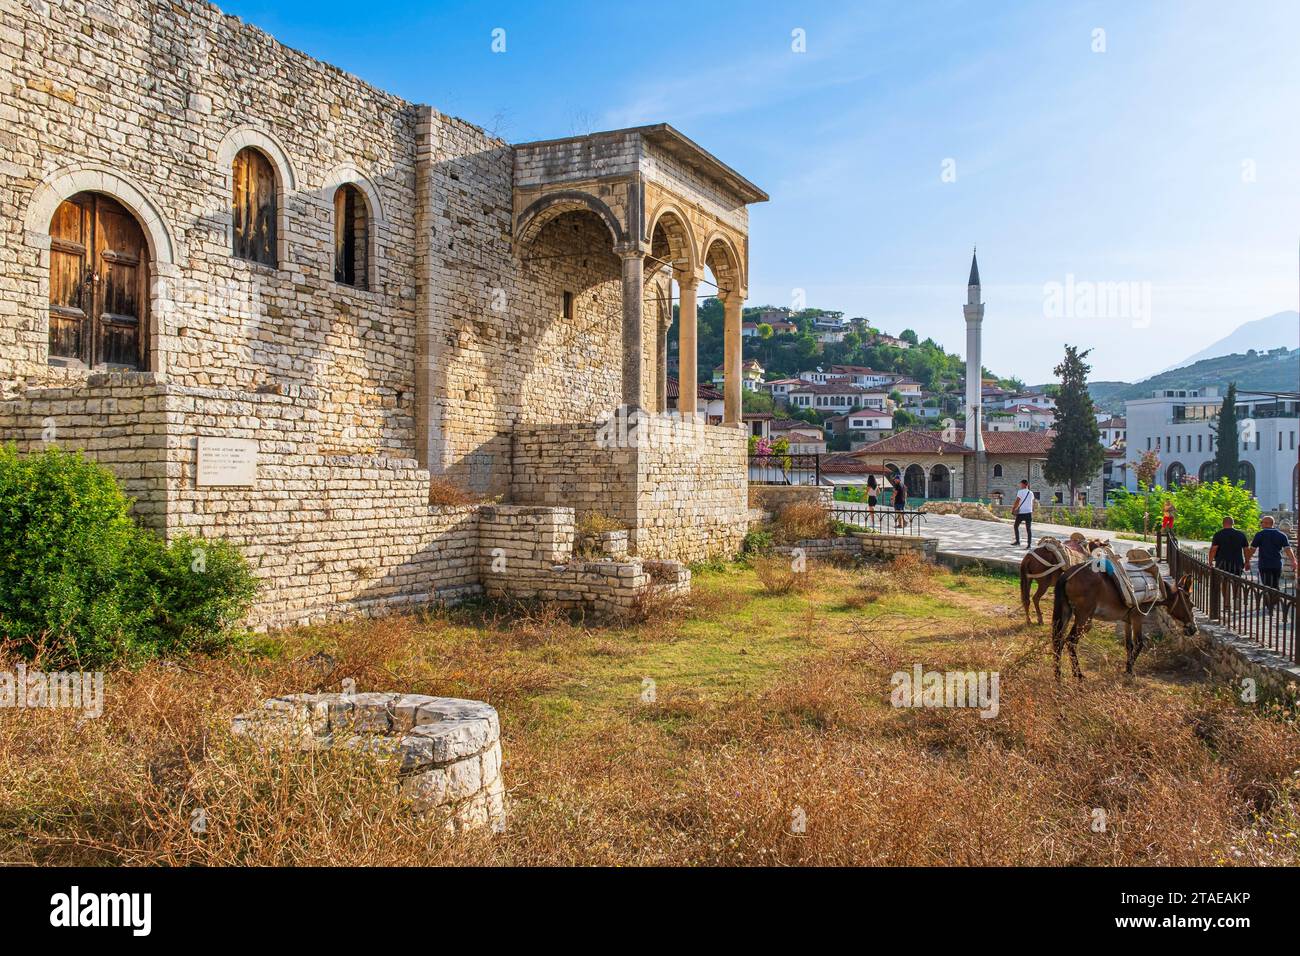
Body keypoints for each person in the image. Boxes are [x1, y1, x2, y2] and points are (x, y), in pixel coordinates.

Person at [1245, 515, 1297, 612]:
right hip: (1277, 563)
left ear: (1267, 523)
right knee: (1275, 583)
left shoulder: (1259, 534)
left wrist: (1247, 560)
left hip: (1264, 564)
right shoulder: (1281, 535)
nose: (1261, 524)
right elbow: (1288, 549)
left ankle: (1268, 604)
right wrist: (1294, 561)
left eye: (1262, 522)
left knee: (1266, 583)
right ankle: (1274, 602)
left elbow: (1252, 549)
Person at [1208, 516, 1249, 610]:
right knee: (1236, 582)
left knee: (1224, 583)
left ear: (1223, 523)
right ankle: (1237, 602)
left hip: (1222, 562)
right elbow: (1246, 549)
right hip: (1237, 562)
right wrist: (1247, 561)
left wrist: (1210, 562)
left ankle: (1227, 604)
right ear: (1233, 523)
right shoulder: (1241, 534)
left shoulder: (1218, 534)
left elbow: (1213, 549)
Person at [1011, 479, 1034, 549]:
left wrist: (1013, 509)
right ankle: (1029, 545)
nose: (1020, 485)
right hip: (1029, 513)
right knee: (1028, 529)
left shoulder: (1020, 492)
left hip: (1021, 512)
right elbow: (1032, 503)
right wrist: (1032, 510)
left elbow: (1017, 501)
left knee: (1016, 526)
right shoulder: (1031, 493)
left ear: (1024, 484)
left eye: (1021, 484)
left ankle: (1018, 541)